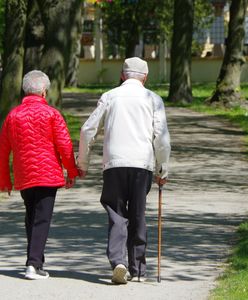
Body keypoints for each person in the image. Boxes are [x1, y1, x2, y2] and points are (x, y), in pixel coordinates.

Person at [77, 57, 171, 284]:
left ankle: (118, 261)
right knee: (138, 213)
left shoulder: (110, 96)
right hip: (142, 164)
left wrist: (83, 163)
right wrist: (162, 168)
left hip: (114, 163)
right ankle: (137, 268)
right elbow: (162, 138)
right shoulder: (153, 99)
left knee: (117, 214)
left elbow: (87, 130)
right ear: (145, 77)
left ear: (122, 75)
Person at [0, 70, 79, 280]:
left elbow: (3, 150)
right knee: (42, 219)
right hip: (47, 174)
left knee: (31, 217)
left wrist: (4, 180)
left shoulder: (13, 116)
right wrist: (72, 171)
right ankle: (33, 264)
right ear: (44, 92)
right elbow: (64, 144)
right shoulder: (52, 114)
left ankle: (36, 262)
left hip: (24, 174)